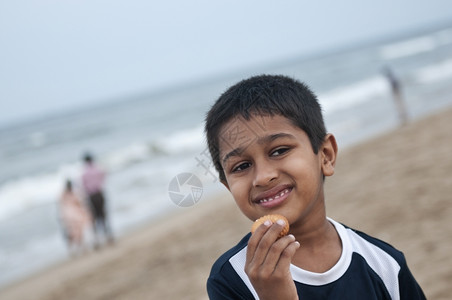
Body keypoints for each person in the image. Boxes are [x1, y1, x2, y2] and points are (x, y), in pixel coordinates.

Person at [204, 75, 425, 299]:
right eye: (241, 166)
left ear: (326, 156)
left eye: (279, 151)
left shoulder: (384, 265)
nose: (262, 177)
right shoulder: (231, 279)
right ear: (228, 187)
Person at [81, 152, 114, 247]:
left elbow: (83, 186)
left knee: (93, 219)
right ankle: (108, 236)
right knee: (104, 216)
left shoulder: (84, 173)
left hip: (91, 196)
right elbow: (104, 176)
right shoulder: (98, 169)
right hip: (99, 194)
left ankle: (96, 240)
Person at [58, 179, 91, 255]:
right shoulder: (74, 193)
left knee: (71, 233)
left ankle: (72, 249)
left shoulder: (62, 195)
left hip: (66, 215)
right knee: (79, 231)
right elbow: (80, 202)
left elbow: (61, 206)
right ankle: (81, 247)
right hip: (75, 214)